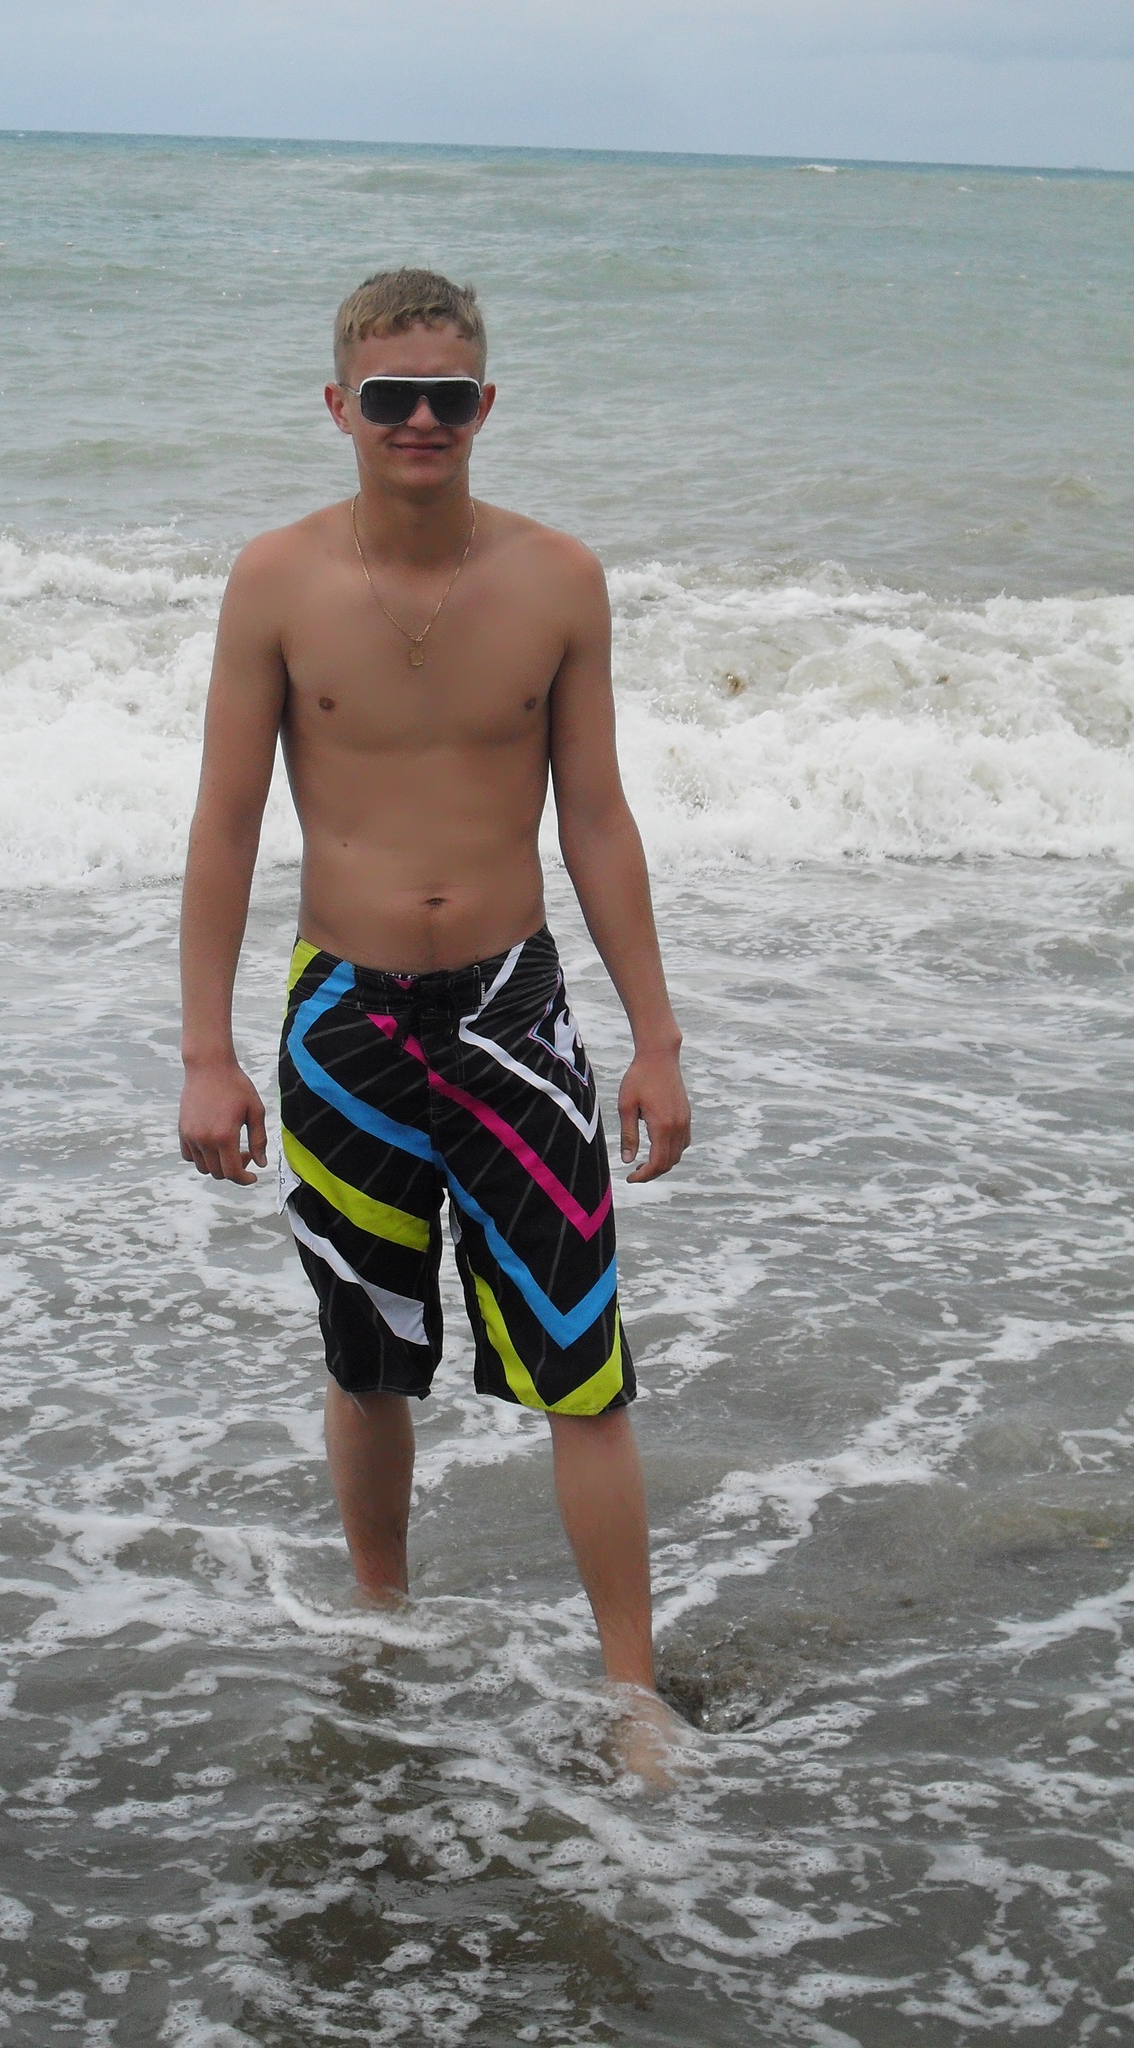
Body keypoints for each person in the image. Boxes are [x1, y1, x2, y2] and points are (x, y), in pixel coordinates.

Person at [177, 268, 690, 1755]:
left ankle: (633, 1692)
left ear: (485, 405)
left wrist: (655, 1039)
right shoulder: (277, 581)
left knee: (583, 1361)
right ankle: (382, 1630)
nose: (420, 420)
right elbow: (223, 824)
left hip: (513, 1015)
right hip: (342, 1018)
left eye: (446, 396)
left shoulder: (558, 579)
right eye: (390, 396)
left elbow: (597, 818)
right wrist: (207, 1052)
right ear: (340, 406)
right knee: (367, 1353)